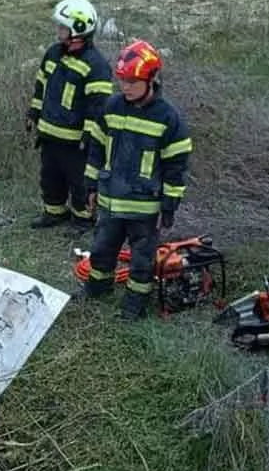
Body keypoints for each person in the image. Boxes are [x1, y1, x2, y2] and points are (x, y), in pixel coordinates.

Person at [78, 39, 191, 320]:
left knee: (142, 260)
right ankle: (97, 287)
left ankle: (134, 305)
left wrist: (169, 206)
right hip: (110, 201)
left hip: (144, 209)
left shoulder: (169, 119)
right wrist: (91, 185)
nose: (125, 87)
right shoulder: (112, 107)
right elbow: (97, 147)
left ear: (152, 79)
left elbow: (176, 167)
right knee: (102, 249)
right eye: (122, 80)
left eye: (132, 81)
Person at [25, 0, 114, 230]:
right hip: (49, 134)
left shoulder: (96, 65)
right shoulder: (54, 53)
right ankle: (54, 213)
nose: (58, 31)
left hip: (75, 142)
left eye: (63, 27)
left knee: (79, 182)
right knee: (50, 177)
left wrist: (89, 135)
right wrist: (33, 112)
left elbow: (97, 105)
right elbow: (40, 85)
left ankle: (83, 219)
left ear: (79, 28)